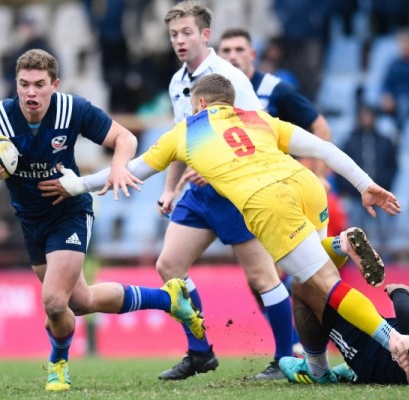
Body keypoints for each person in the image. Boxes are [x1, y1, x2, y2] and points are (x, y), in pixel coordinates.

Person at [39, 73, 409, 383]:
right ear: (229, 103)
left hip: (268, 203)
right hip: (305, 185)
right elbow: (323, 149)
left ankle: (394, 341)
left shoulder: (186, 130)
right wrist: (364, 185)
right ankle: (321, 346)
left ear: (199, 104)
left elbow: (130, 171)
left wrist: (75, 184)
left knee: (325, 286)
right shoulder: (256, 118)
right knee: (307, 278)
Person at [0, 48, 202, 392]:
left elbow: (124, 138)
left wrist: (116, 166)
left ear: (55, 84)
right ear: (16, 85)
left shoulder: (72, 109)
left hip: (69, 212)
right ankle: (169, 300)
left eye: (39, 84)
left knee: (54, 301)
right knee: (79, 302)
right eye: (24, 84)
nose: (31, 92)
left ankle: (58, 365)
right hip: (29, 220)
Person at [152, 1, 301, 381]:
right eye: (173, 34)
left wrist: (220, 172)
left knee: (262, 277)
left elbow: (257, 132)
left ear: (205, 35)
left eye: (186, 32)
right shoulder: (176, 82)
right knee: (169, 267)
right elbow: (178, 141)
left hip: (236, 193)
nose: (179, 40)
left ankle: (287, 358)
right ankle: (200, 351)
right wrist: (170, 189)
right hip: (199, 195)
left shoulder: (229, 77)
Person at [217, 26, 338, 375]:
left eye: (240, 49)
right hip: (246, 196)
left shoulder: (273, 90)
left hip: (284, 192)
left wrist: (317, 175)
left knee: (293, 275)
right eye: (225, 51)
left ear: (252, 55)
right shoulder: (217, 98)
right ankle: (301, 343)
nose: (232, 56)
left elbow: (320, 128)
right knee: (265, 280)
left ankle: (312, 343)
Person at [279, 281, 409, 385]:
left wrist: (399, 291)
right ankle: (352, 370)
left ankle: (316, 371)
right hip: (385, 350)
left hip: (372, 351)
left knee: (304, 285)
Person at [336, 105, 398, 253]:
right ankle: (357, 263)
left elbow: (393, 166)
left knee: (383, 231)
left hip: (381, 193)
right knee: (355, 231)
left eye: (369, 116)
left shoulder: (385, 141)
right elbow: (340, 167)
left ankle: (385, 261)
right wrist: (349, 189)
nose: (366, 119)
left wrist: (385, 184)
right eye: (363, 116)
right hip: (356, 194)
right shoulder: (350, 141)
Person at [380, 29, 409, 130]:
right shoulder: (394, 64)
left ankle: (401, 131)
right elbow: (386, 84)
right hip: (396, 99)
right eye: (403, 44)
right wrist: (387, 96)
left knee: (404, 102)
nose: (405, 47)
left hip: (404, 98)